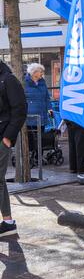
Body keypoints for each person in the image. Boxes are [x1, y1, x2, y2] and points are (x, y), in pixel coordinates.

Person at [0, 61, 27, 236]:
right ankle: (8, 222)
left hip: (2, 138)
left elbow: (20, 109)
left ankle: (8, 222)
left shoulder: (8, 80)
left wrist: (8, 138)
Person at [24, 63, 52, 138]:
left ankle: (40, 150)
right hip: (30, 117)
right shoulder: (24, 82)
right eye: (41, 71)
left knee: (41, 137)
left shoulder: (42, 82)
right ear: (34, 72)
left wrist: (50, 109)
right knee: (31, 138)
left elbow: (47, 97)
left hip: (42, 115)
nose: (42, 73)